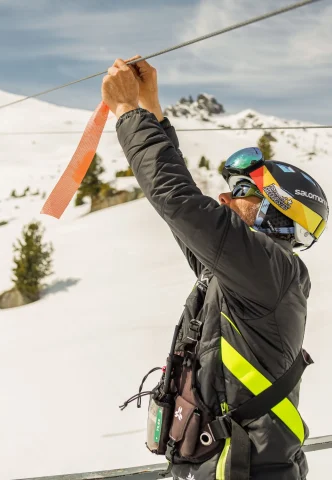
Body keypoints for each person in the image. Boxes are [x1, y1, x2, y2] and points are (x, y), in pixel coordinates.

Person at [101, 57, 329, 480]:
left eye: (242, 192)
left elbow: (179, 201)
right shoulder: (240, 274)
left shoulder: (268, 269)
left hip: (246, 469)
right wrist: (151, 107)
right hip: (226, 464)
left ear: (277, 211)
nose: (224, 199)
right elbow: (182, 216)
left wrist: (127, 112)